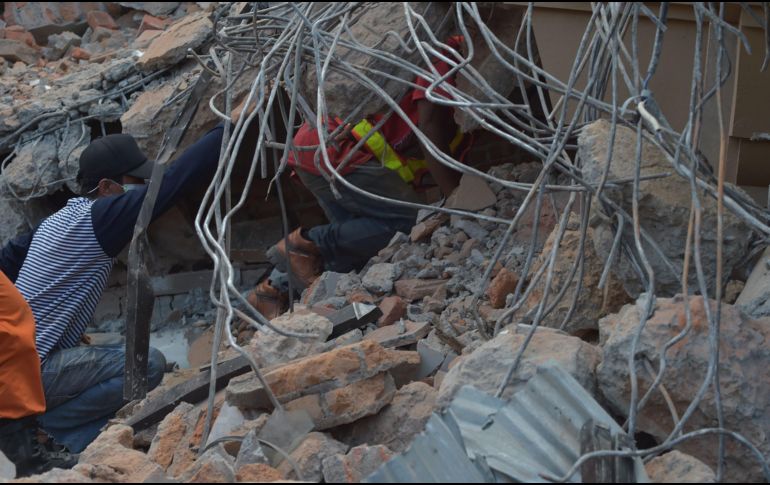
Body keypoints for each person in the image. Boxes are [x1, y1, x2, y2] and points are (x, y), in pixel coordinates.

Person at [0, 105, 242, 453]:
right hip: (26, 373)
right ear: (107, 187)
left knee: (114, 345)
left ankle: (43, 425)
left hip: (16, 367)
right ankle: (54, 433)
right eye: (136, 182)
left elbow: (8, 257)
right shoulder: (99, 220)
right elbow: (174, 182)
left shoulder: (56, 222)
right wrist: (230, 126)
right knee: (147, 365)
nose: (143, 188)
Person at [249, 36, 471, 317]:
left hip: (321, 151)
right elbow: (429, 126)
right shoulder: (447, 53)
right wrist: (458, 204)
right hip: (336, 149)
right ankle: (306, 242)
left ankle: (270, 291)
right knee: (407, 220)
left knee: (355, 249)